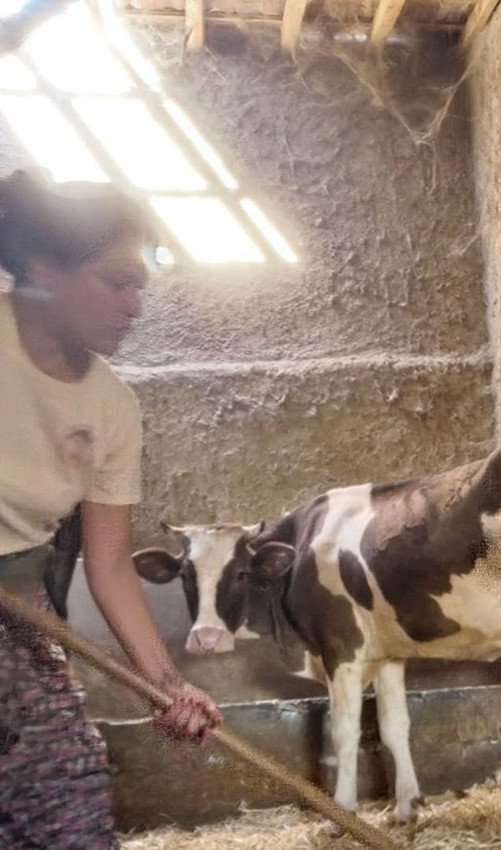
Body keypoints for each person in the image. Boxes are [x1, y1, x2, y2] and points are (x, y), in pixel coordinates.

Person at [0, 169, 223, 849]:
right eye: (116, 282)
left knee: (67, 790)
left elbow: (110, 567)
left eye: (140, 288)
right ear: (43, 268)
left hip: (19, 609)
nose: (134, 306)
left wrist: (167, 686)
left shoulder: (112, 409)